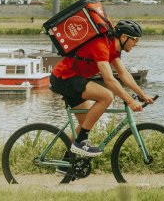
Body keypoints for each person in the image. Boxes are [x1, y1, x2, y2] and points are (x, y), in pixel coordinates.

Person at [49, 19, 153, 157]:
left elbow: (123, 74)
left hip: (74, 79)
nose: (136, 44)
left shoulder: (112, 49)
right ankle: (80, 143)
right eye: (135, 40)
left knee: (85, 123)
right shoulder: (101, 45)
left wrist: (142, 94)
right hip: (64, 78)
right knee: (107, 96)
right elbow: (109, 80)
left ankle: (66, 163)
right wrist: (130, 101)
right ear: (123, 37)